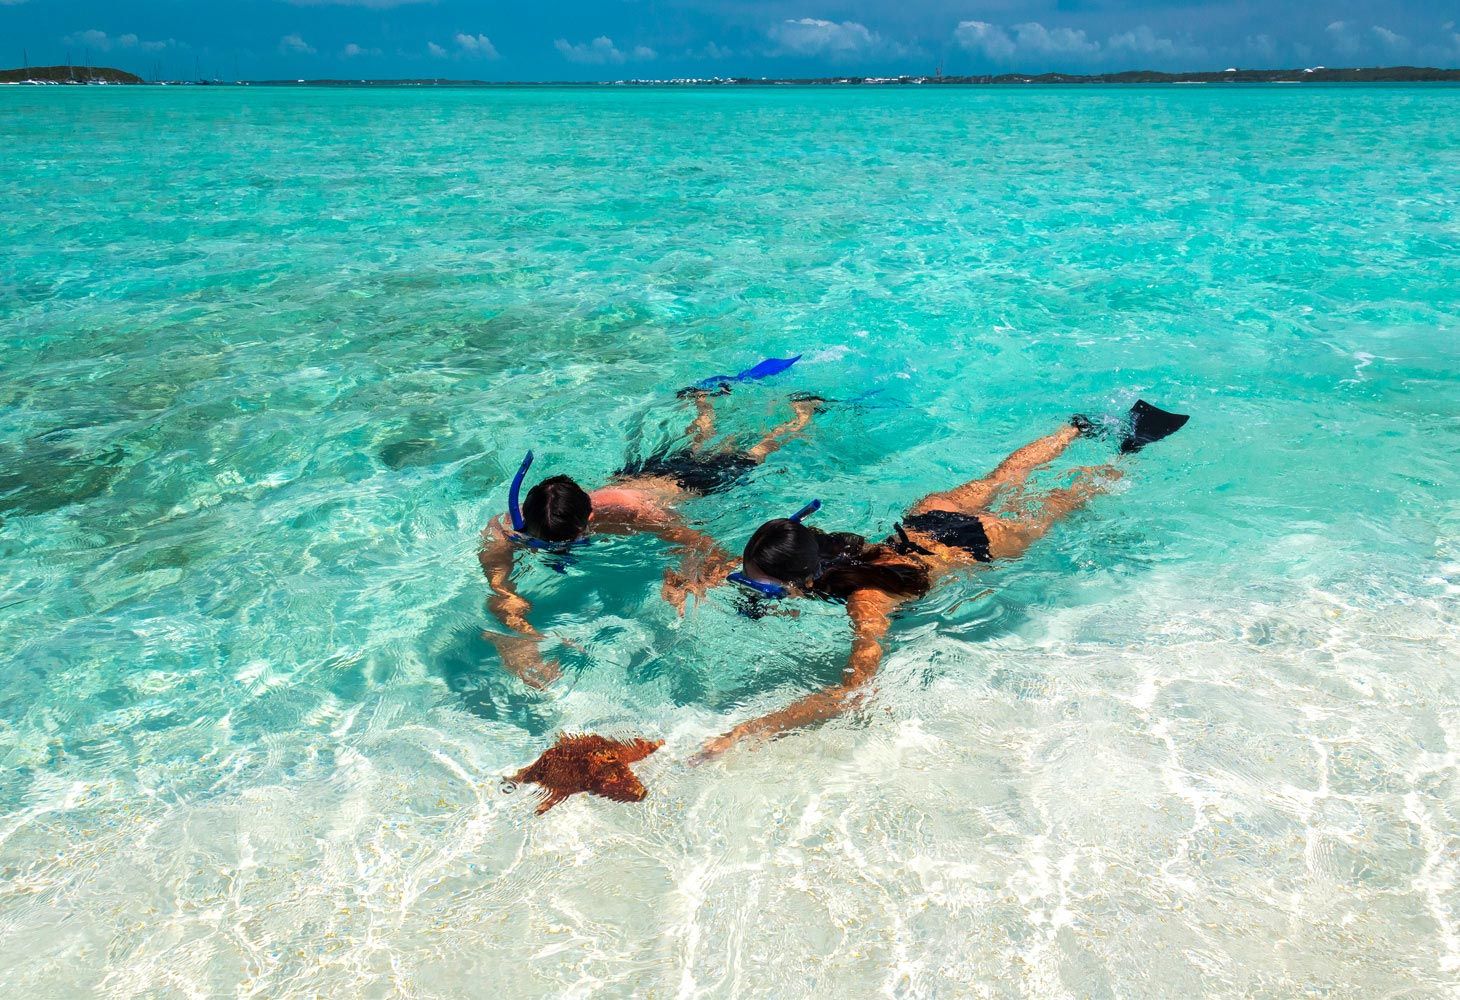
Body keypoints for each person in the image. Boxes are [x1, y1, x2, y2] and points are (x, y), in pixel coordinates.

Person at [695, 400, 1189, 761]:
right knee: (1000, 478)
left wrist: (746, 732)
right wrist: (700, 578)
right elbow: (751, 568)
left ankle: (1124, 455)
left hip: (982, 544)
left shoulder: (866, 602)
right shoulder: (819, 548)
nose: (755, 587)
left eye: (763, 585)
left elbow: (851, 694)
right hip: (928, 518)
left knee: (1066, 500)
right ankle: (1075, 429)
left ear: (800, 579)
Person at [480, 388, 825, 687]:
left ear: (590, 518)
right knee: (697, 443)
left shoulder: (630, 512)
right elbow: (495, 565)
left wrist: (689, 574)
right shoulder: (519, 523)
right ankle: (704, 401)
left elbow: (694, 539)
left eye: (573, 540)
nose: (563, 549)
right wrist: (511, 616)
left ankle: (802, 413)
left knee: (754, 453)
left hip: (691, 485)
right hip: (638, 476)